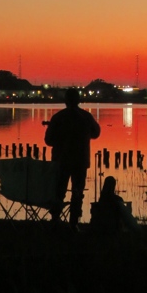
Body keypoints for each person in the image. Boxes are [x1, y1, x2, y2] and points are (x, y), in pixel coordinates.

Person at [44, 87, 100, 226]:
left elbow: (48, 141)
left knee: (59, 192)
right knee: (77, 192)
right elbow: (96, 133)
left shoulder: (58, 117)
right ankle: (74, 222)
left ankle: (55, 219)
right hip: (80, 161)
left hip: (61, 161)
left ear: (65, 101)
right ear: (79, 101)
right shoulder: (86, 116)